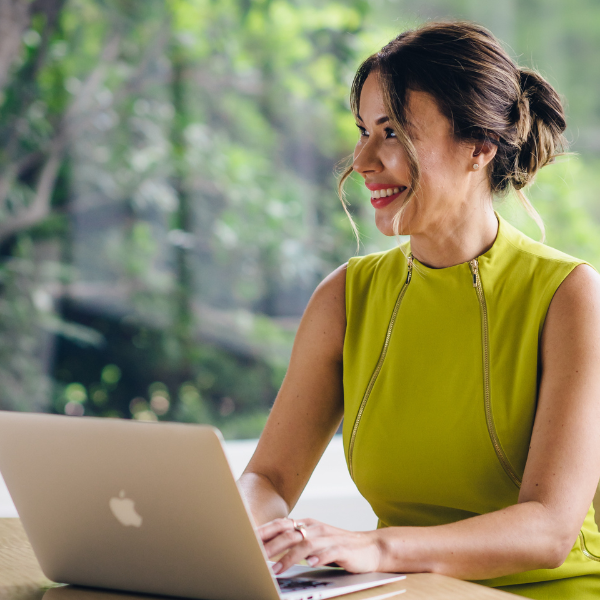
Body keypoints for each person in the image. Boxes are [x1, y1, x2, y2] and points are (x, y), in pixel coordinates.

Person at [238, 21, 600, 599]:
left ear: (479, 147)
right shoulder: (345, 297)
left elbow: (549, 529)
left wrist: (376, 547)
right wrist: (248, 534)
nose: (361, 160)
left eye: (392, 132)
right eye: (362, 130)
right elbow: (269, 477)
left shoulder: (570, 296)